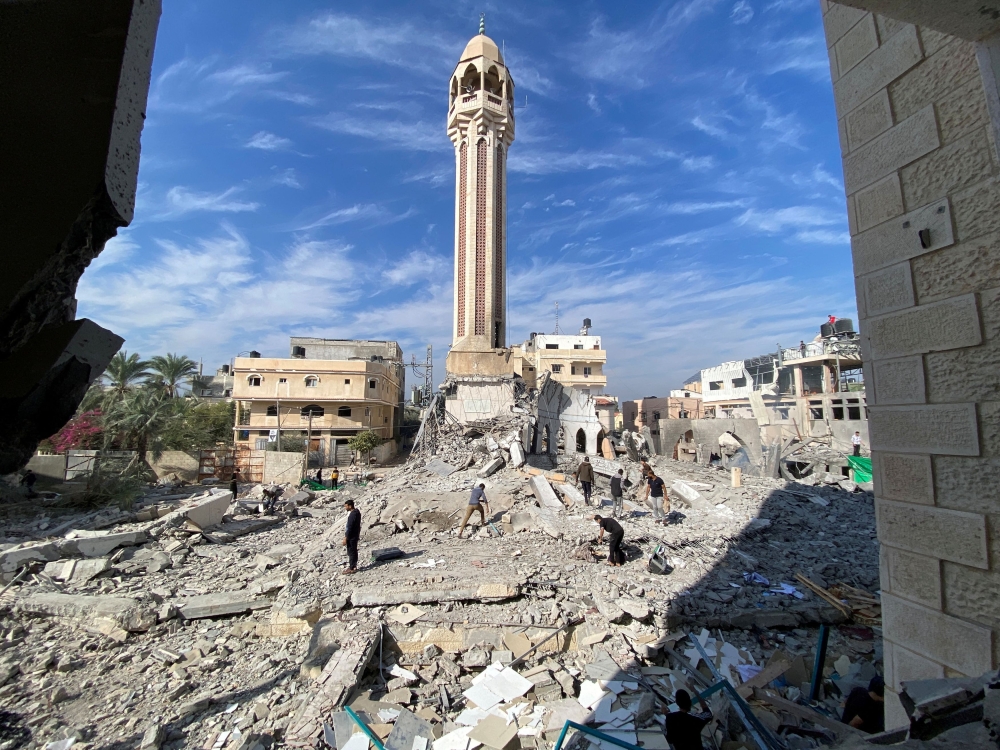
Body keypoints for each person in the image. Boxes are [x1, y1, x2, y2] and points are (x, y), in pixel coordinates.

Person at [342, 499, 361, 574]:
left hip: (352, 536)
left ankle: (352, 567)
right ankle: (354, 565)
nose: (345, 508)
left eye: (346, 506)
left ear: (350, 506)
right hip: (355, 535)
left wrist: (346, 538)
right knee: (354, 550)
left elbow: (350, 527)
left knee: (351, 551)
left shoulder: (353, 515)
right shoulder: (357, 513)